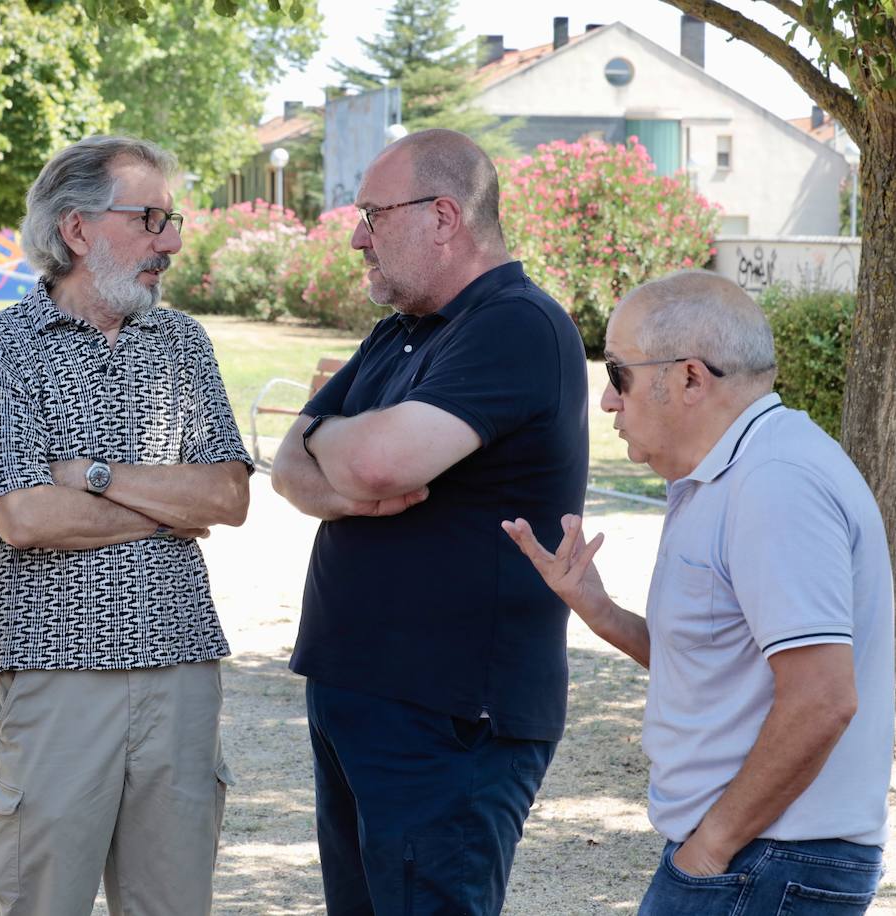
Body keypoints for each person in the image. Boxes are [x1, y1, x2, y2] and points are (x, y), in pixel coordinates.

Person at [504, 270, 893, 914]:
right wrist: (599, 612)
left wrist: (710, 849)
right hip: (757, 855)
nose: (607, 400)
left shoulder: (776, 482)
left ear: (689, 378)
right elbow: (732, 669)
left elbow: (823, 699)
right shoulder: (735, 471)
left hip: (765, 857)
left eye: (618, 373)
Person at [271, 128, 589, 914]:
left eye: (372, 215)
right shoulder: (403, 331)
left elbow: (380, 465)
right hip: (365, 698)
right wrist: (330, 450)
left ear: (443, 216)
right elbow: (286, 466)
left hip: (449, 721)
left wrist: (332, 446)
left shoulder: (515, 324)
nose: (356, 237)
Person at [0, 135, 251, 916]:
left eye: (173, 220)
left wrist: (95, 475)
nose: (172, 242)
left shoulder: (184, 345)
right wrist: (164, 506)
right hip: (50, 676)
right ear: (77, 229)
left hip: (180, 670)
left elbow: (226, 497)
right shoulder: (0, 349)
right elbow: (24, 516)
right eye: (150, 219)